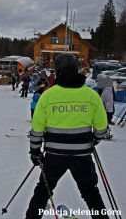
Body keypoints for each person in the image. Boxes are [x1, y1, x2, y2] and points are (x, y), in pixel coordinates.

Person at [26, 53, 109, 219]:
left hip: (54, 156)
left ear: (56, 71)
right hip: (82, 155)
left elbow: (37, 129)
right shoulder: (91, 95)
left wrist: (35, 151)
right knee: (91, 193)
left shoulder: (47, 95)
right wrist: (94, 140)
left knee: (42, 192)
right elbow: (101, 128)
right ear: (76, 69)